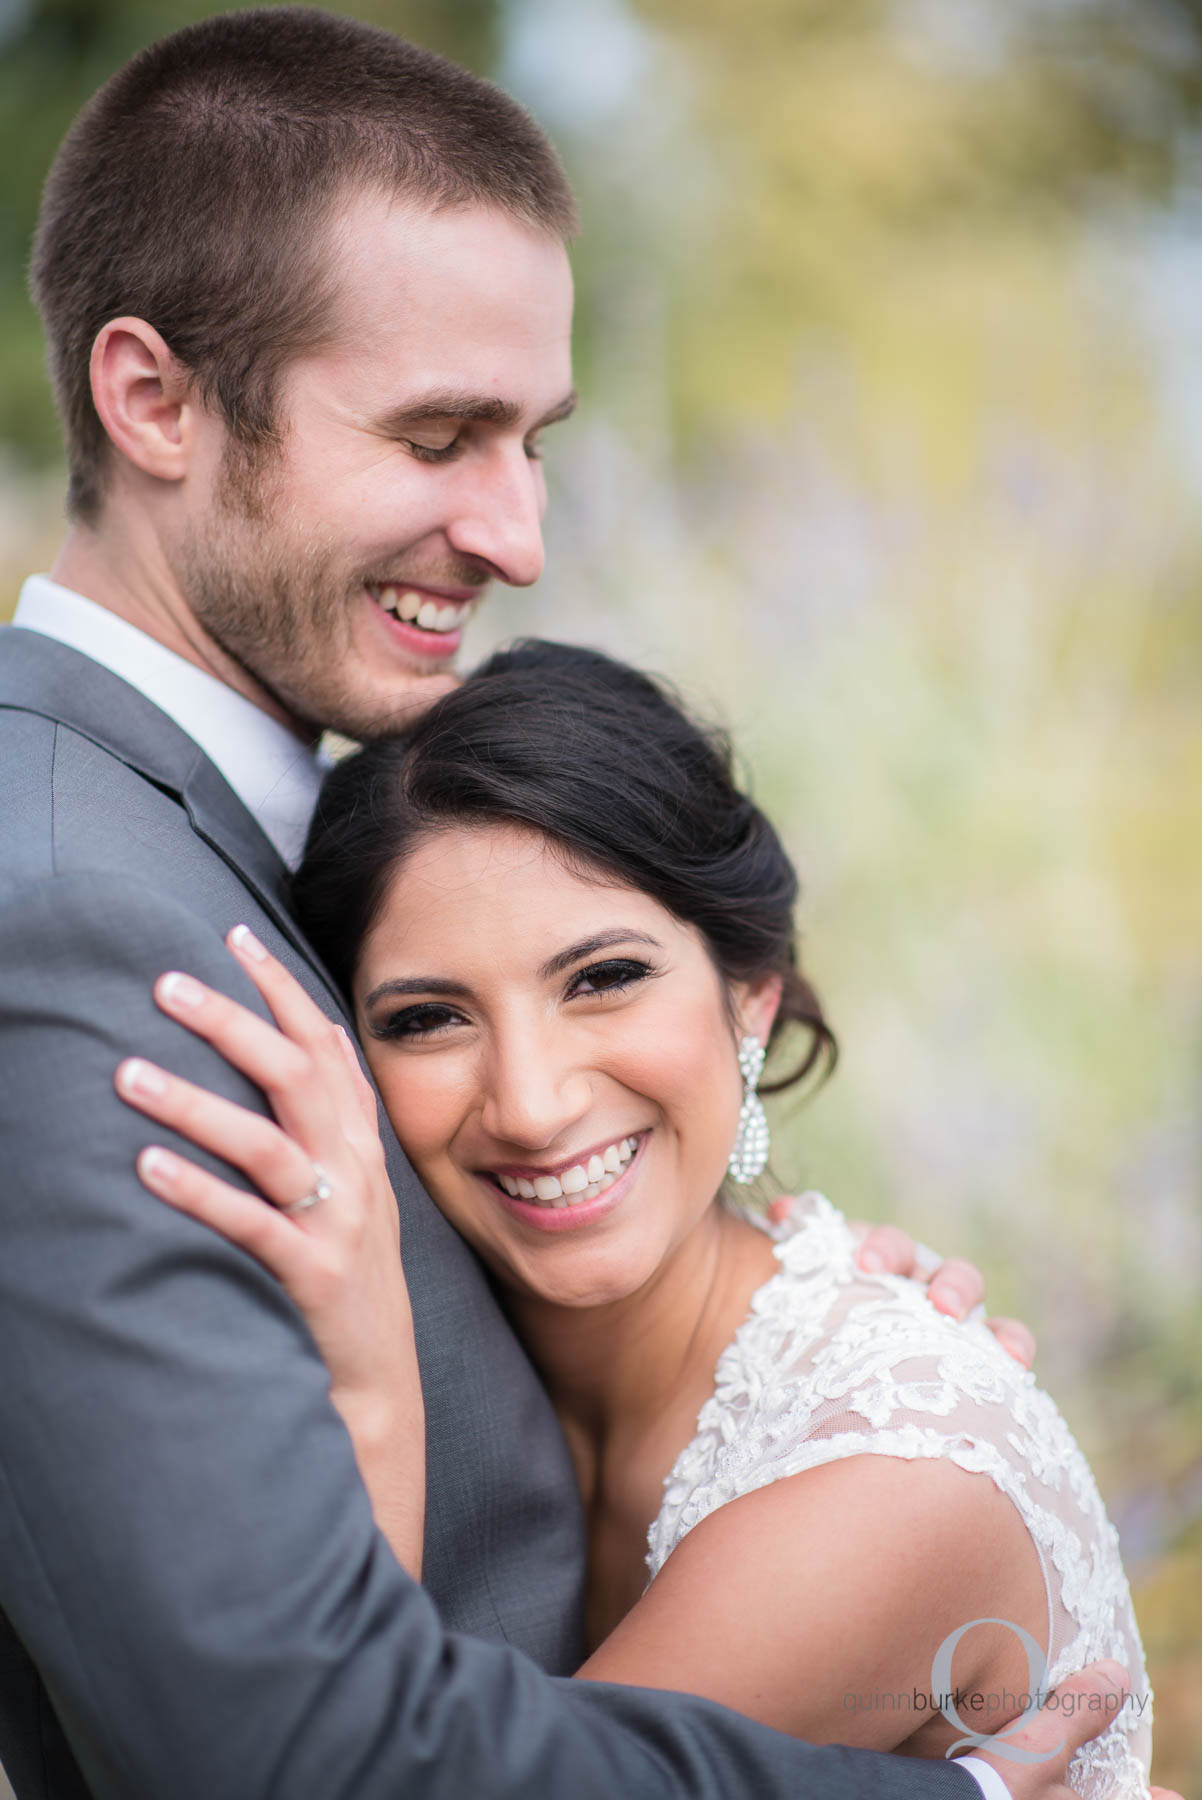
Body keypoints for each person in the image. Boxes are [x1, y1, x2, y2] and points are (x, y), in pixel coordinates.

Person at [0, 8, 1153, 1799]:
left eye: (535, 436)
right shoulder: (75, 905)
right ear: (152, 399)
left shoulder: (245, 833)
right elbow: (278, 1752)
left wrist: (783, 1325)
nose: (519, 533)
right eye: (439, 434)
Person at [114, 640, 1156, 1799]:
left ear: (747, 996)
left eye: (603, 978)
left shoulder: (880, 1485)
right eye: (427, 1019)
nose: (531, 1102)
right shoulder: (451, 1345)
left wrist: (367, 1398)